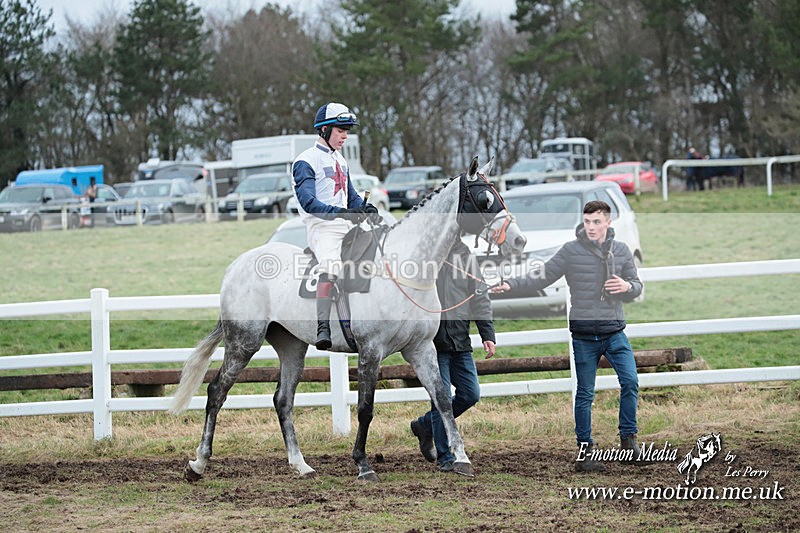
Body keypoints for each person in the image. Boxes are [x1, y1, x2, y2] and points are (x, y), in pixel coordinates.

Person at [491, 200, 647, 472]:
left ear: (608, 223)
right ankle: (585, 452)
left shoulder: (621, 251)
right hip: (584, 336)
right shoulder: (571, 251)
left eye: (597, 222)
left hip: (614, 332)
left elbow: (636, 286)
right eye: (587, 222)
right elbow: (541, 277)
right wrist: (511, 284)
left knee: (631, 382)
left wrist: (626, 286)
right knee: (585, 393)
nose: (591, 227)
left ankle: (628, 440)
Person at [292, 102, 379, 350]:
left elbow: (350, 196)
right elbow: (308, 202)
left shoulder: (340, 159)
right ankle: (323, 327)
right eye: (340, 130)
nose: (345, 135)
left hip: (344, 224)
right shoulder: (305, 161)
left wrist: (364, 209)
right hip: (321, 228)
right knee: (331, 266)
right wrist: (342, 213)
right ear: (324, 130)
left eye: (347, 130)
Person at [410, 240, 496, 472]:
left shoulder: (465, 257)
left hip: (460, 340)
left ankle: (425, 424)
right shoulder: (425, 255)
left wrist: (487, 334)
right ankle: (446, 457)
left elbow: (480, 297)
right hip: (433, 344)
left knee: (471, 394)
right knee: (442, 399)